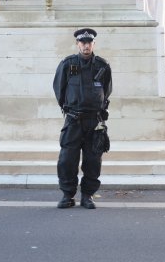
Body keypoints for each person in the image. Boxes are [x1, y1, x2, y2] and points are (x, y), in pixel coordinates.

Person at [53, 28, 112, 209]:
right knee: (67, 160)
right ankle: (67, 195)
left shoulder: (102, 66)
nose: (86, 45)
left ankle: (87, 196)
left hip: (93, 121)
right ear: (78, 44)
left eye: (89, 42)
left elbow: (107, 90)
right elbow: (59, 89)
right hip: (73, 120)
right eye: (83, 42)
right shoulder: (67, 64)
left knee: (93, 160)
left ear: (93, 44)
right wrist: (69, 108)